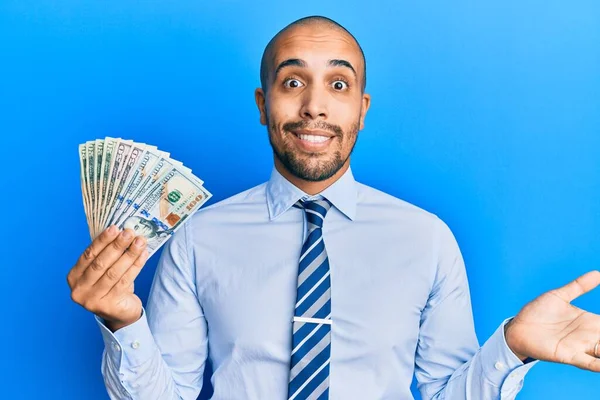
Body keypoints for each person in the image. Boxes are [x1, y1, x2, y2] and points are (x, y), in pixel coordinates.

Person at [67, 15, 600, 400]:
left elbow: (446, 396)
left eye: (338, 85)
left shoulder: (427, 238)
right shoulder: (197, 238)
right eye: (292, 82)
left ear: (361, 109)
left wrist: (512, 348)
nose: (314, 106)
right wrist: (122, 320)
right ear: (263, 105)